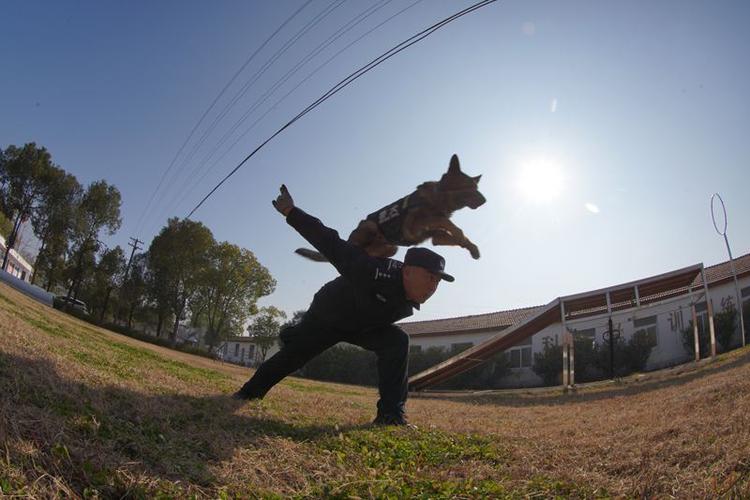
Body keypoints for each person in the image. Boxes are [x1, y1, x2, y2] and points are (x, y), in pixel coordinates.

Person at [232, 185, 454, 426]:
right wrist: (291, 212)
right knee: (294, 356)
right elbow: (330, 242)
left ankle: (391, 415)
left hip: (365, 326)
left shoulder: (411, 293)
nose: (433, 286)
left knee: (397, 341)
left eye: (438, 281)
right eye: (430, 277)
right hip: (329, 315)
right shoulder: (373, 271)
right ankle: (248, 392)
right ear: (408, 272)